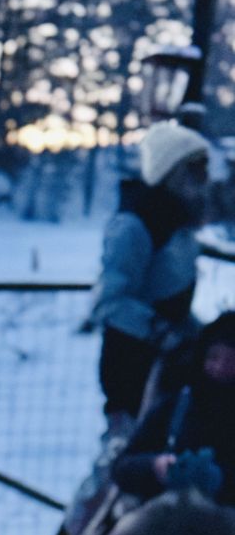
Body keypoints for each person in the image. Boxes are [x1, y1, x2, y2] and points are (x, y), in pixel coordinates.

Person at [90, 121, 211, 431]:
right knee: (127, 459)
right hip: (132, 367)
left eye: (204, 167)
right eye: (195, 168)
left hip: (169, 366)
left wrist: (203, 336)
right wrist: (160, 331)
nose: (204, 179)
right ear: (171, 172)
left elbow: (173, 296)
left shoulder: (178, 223)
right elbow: (109, 302)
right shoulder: (135, 227)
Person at [111, 311, 235, 508]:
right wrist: (155, 467)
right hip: (166, 514)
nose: (220, 367)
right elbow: (121, 467)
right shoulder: (178, 405)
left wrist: (221, 479)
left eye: (230, 361)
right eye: (214, 357)